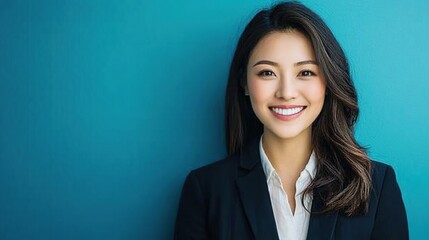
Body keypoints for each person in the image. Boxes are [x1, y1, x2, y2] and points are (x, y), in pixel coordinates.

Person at [174, 1, 408, 239]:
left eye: (305, 72)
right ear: (244, 83)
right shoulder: (205, 190)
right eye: (267, 73)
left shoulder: (377, 186)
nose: (286, 92)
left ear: (328, 82)